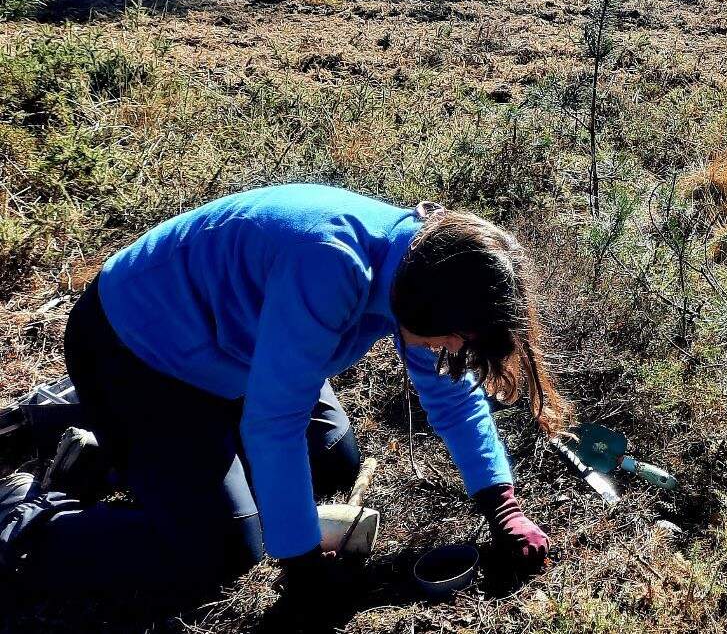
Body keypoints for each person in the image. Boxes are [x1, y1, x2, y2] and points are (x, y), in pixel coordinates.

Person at [0, 183, 569, 599]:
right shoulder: (332, 267)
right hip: (138, 352)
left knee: (332, 456)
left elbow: (451, 395)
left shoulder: (422, 268)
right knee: (222, 548)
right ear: (429, 310)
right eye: (454, 339)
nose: (452, 350)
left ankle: (105, 445)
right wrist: (301, 564)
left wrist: (503, 506)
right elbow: (275, 424)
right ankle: (27, 522)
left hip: (232, 357)